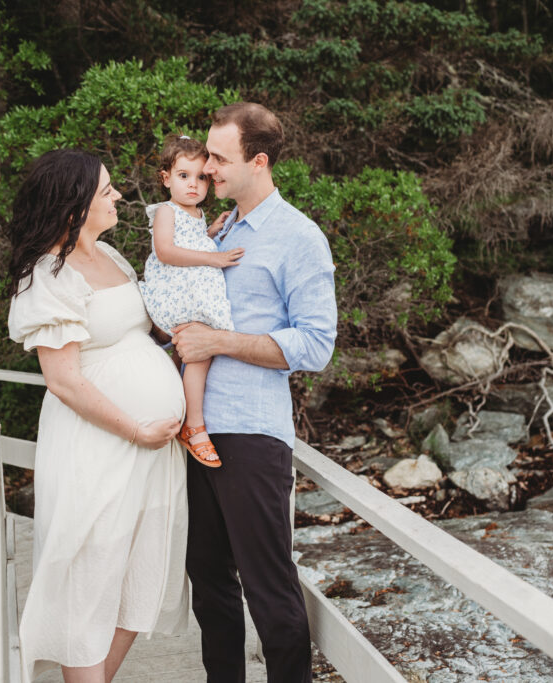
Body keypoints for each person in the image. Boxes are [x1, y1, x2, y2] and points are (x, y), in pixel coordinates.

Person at [6, 149, 190, 683]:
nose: (117, 196)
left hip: (153, 449)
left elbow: (147, 330)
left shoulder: (112, 257)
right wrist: (136, 429)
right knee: (90, 574)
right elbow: (63, 379)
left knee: (141, 570)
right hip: (100, 444)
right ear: (74, 204)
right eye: (106, 190)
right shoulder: (48, 275)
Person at [172, 102, 338, 683]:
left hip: (251, 432)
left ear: (259, 161)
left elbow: (316, 344)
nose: (207, 168)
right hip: (194, 431)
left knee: (269, 588)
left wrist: (219, 341)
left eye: (220, 158)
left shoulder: (299, 237)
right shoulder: (215, 230)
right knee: (209, 582)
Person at [139, 133, 242, 468]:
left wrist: (210, 233)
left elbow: (190, 242)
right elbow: (166, 251)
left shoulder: (196, 214)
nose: (194, 184)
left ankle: (177, 414)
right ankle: (194, 425)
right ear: (166, 178)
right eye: (184, 176)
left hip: (189, 293)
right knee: (200, 350)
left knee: (195, 353)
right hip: (174, 293)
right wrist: (214, 257)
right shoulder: (166, 211)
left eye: (201, 178)